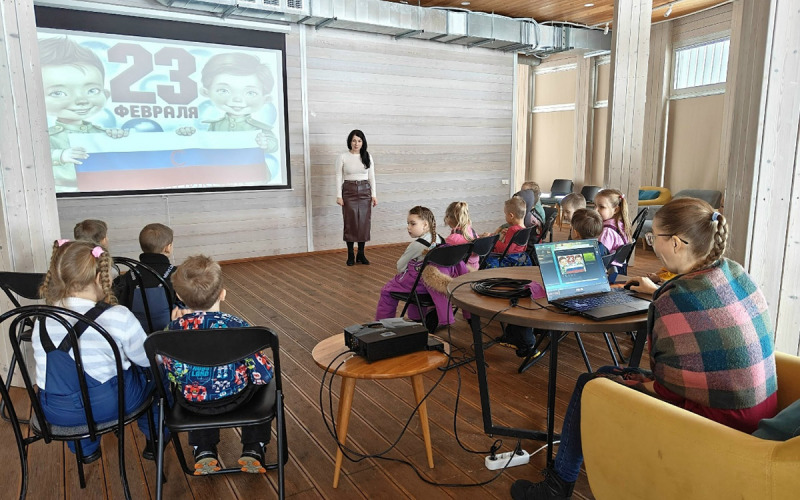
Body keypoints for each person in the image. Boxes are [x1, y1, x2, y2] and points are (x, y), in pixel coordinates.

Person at [511, 198, 778, 500]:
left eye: (654, 238)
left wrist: (662, 297)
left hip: (720, 423)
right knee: (605, 373)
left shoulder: (675, 300)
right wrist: (659, 291)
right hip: (757, 408)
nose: (653, 244)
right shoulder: (733, 271)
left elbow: (666, 388)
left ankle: (556, 487)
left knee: (590, 383)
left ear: (675, 242)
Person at [33, 240, 160, 463]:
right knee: (160, 375)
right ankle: (155, 438)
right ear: (98, 278)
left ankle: (86, 449)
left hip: (55, 410)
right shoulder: (117, 315)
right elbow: (147, 360)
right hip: (111, 403)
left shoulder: (41, 318)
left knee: (70, 382)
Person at [164, 255, 274, 474]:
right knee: (262, 382)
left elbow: (171, 371)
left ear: (179, 296)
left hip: (192, 401)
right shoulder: (237, 327)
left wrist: (175, 325)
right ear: (222, 293)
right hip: (237, 396)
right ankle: (254, 447)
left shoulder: (172, 331)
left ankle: (203, 449)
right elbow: (261, 373)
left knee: (198, 387)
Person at [39, 37, 129, 193]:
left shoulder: (100, 133)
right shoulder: (47, 138)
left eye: (92, 90)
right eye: (58, 93)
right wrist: (61, 155)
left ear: (106, 94)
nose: (81, 101)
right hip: (62, 197)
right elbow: (33, 159)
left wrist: (117, 138)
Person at [375, 206, 464, 327]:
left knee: (386, 291)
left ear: (425, 225)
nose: (408, 227)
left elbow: (400, 267)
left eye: (413, 224)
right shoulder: (439, 238)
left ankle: (382, 325)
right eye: (408, 223)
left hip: (420, 285)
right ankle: (417, 318)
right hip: (436, 284)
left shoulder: (417, 245)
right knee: (414, 276)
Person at [176, 52, 278, 153]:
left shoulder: (259, 128)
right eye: (224, 91)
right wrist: (189, 134)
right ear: (206, 92)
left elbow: (273, 144)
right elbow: (205, 142)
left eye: (251, 93)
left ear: (266, 99)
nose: (237, 99)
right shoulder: (215, 125)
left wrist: (265, 143)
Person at [115, 223, 178, 332]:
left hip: (138, 333)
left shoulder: (130, 275)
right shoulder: (175, 274)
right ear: (167, 248)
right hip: (169, 334)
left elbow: (122, 305)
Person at [335, 129, 377, 266]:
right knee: (350, 222)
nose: (356, 143)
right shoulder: (343, 157)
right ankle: (350, 255)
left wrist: (374, 195)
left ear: (363, 142)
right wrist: (339, 196)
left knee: (364, 223)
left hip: (365, 191)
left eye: (359, 141)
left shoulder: (367, 156)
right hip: (349, 191)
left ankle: (361, 253)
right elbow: (338, 177)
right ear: (350, 142)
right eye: (354, 140)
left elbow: (372, 177)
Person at [483, 197, 532, 268]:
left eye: (506, 214)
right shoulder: (525, 229)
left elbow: (506, 250)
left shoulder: (512, 229)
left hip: (510, 260)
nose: (505, 216)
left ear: (511, 216)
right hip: (520, 257)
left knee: (486, 258)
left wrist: (493, 240)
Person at [444, 201, 480, 270]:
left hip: (462, 271)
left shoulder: (452, 239)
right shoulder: (472, 232)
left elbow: (445, 258)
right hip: (475, 268)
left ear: (448, 217)